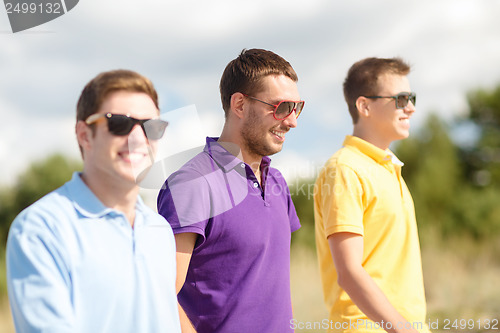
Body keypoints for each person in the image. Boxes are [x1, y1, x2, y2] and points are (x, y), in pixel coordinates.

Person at [6, 69, 181, 333]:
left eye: (151, 127)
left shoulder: (160, 230)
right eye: (119, 124)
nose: (137, 139)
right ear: (84, 135)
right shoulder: (40, 229)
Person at [157, 48, 304, 333]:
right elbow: (160, 295)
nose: (292, 121)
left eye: (297, 108)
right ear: (239, 105)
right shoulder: (192, 184)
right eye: (282, 107)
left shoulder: (277, 183)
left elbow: (275, 289)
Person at [314, 57, 430, 333]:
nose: (411, 108)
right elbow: (349, 272)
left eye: (411, 98)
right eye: (401, 99)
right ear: (364, 105)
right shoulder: (344, 170)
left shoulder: (389, 167)